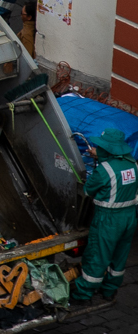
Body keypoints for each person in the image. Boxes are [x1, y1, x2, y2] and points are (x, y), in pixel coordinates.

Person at [72, 127, 137, 303]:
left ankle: (83, 293)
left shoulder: (104, 171)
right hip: (130, 217)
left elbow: (88, 190)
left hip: (108, 219)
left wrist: (100, 161)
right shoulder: (133, 164)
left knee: (97, 255)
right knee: (119, 255)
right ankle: (109, 290)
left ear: (107, 148)